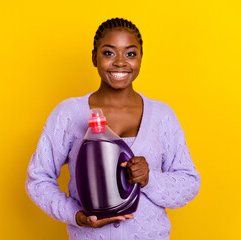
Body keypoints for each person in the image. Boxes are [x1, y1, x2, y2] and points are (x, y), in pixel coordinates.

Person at [26, 18, 201, 240]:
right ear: (94, 57)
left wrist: (148, 179)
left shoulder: (162, 115)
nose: (120, 62)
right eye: (109, 53)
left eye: (130, 54)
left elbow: (189, 183)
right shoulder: (68, 113)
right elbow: (39, 179)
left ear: (141, 59)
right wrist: (76, 216)